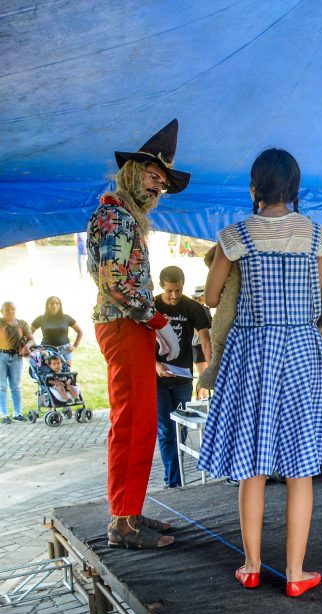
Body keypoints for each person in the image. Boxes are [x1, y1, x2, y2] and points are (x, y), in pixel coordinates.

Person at [200, 149, 322, 596]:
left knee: (253, 465)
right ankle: (295, 573)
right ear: (293, 187)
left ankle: (250, 566)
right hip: (302, 349)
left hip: (253, 350)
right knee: (300, 470)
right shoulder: (316, 234)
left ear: (255, 187)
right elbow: (320, 287)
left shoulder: (235, 235)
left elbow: (211, 298)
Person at [87, 120, 188, 549]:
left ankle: (128, 511)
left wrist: (152, 325)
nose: (156, 189)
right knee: (132, 423)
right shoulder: (114, 215)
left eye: (162, 184)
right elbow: (114, 282)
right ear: (132, 171)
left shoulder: (123, 216)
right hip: (123, 325)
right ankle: (121, 523)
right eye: (153, 177)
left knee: (142, 422)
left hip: (131, 325)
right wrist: (159, 322)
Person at [154, 266, 211, 488]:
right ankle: (173, 481)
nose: (174, 295)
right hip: (157, 378)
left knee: (182, 428)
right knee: (166, 430)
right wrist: (155, 365)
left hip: (182, 378)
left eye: (178, 290)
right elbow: (139, 343)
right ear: (161, 287)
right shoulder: (152, 306)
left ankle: (175, 477)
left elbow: (205, 340)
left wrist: (211, 370)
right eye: (169, 291)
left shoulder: (193, 308)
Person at [0, 302, 33, 424]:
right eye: (7, 310)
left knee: (15, 386)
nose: (11, 312)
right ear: (2, 312)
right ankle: (4, 415)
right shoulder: (1, 323)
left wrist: (26, 347)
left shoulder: (22, 323)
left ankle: (17, 413)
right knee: (2, 386)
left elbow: (31, 340)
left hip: (16, 357)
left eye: (13, 309)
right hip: (1, 356)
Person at [31, 297, 83, 365]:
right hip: (47, 351)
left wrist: (75, 346)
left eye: (57, 303)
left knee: (66, 374)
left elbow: (80, 331)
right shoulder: (41, 319)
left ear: (60, 305)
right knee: (49, 374)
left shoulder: (66, 318)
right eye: (52, 303)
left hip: (65, 350)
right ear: (47, 305)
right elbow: (28, 333)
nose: (54, 305)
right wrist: (35, 347)